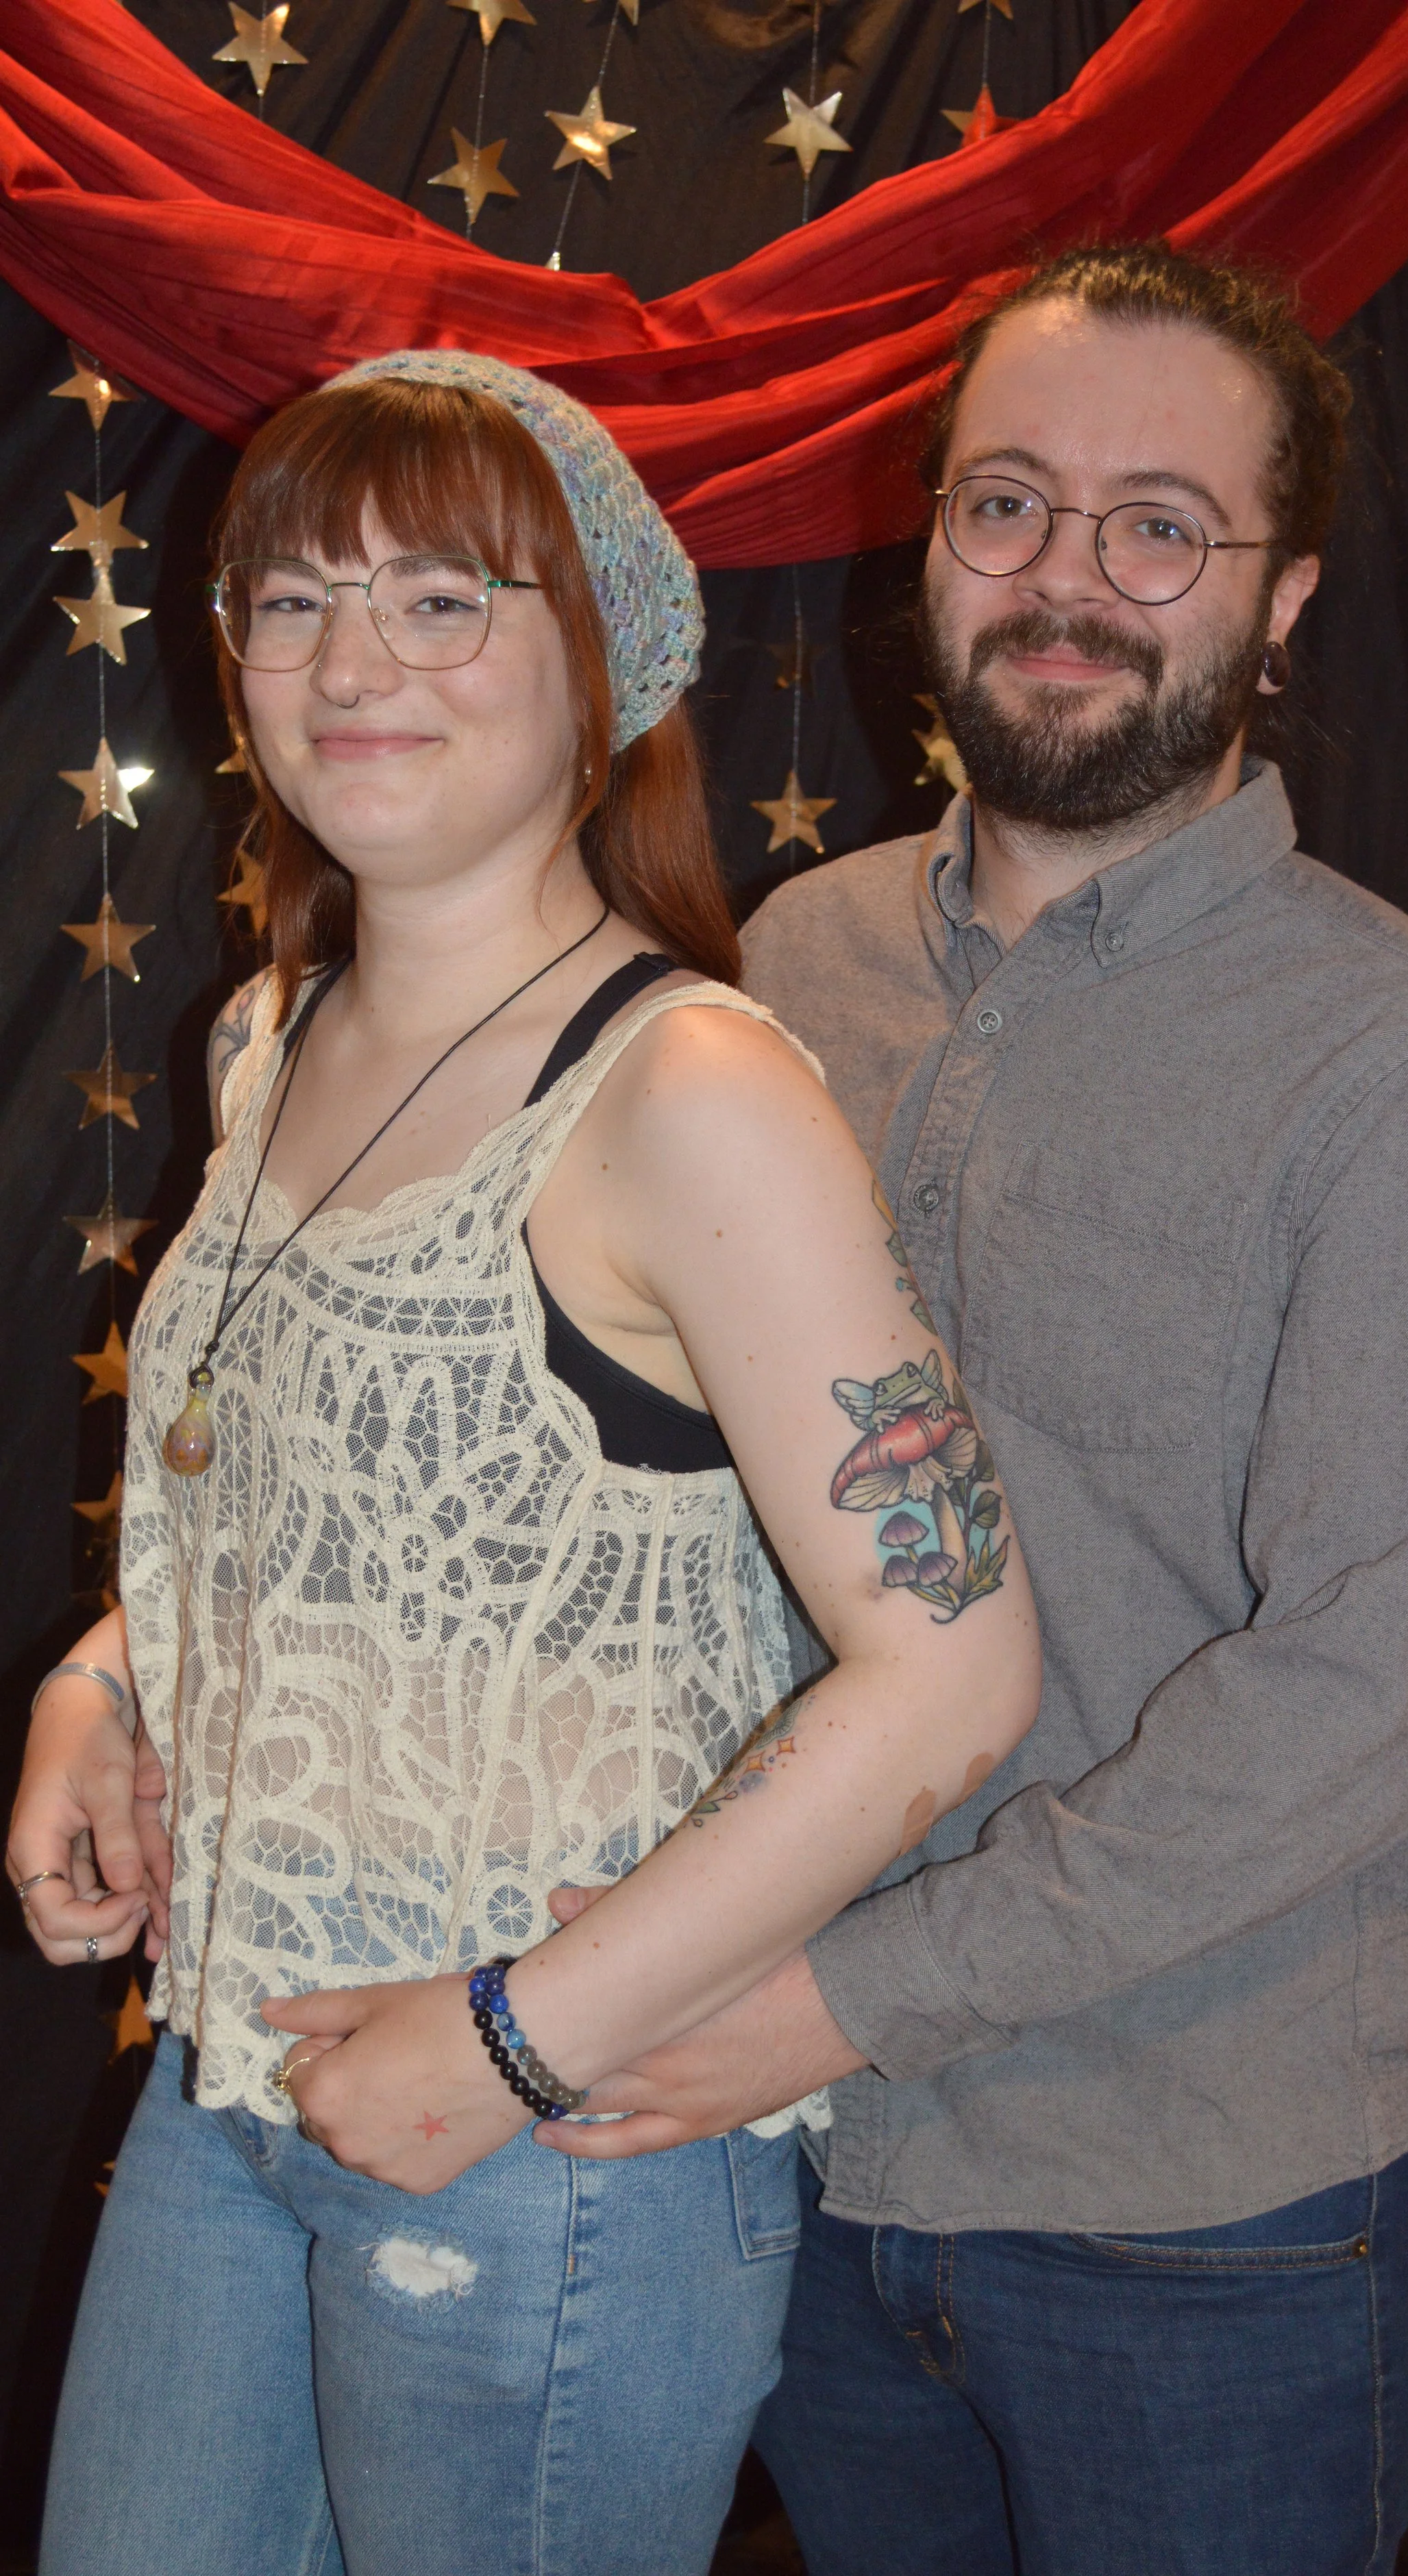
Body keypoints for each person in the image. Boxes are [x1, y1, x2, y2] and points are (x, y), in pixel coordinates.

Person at [526, 245, 1408, 2575]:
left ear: (1277, 598)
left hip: (1197, 2208)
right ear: (928, 547)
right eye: (1007, 504)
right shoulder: (792, 963)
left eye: (1154, 525)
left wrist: (835, 1998)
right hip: (790, 2168)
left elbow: (1363, 1698)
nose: (1066, 582)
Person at [7, 351, 1038, 2576]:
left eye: (443, 597)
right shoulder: (271, 1035)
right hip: (235, 2082)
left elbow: (951, 1672)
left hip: (545, 2163)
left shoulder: (690, 1095)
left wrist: (510, 2042)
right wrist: (105, 1680)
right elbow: (299, 1494)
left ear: (601, 671)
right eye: (286, 603)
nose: (348, 661)